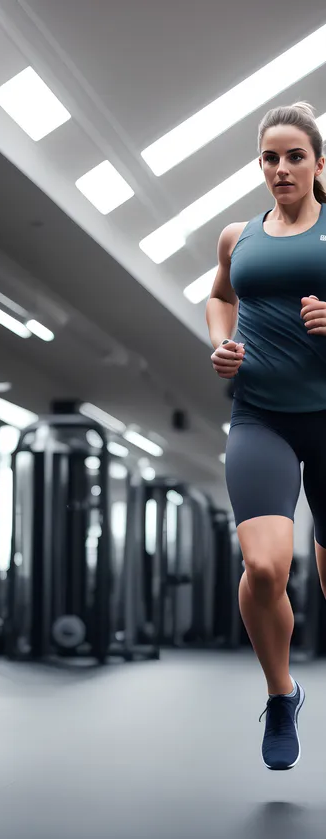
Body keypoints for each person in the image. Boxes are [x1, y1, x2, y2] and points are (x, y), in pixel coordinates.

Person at [206, 101, 326, 771]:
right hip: (259, 416)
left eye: (293, 156)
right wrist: (221, 342)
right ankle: (281, 693)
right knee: (263, 565)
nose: (280, 168)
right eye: (269, 157)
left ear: (317, 164)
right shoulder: (237, 236)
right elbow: (218, 296)